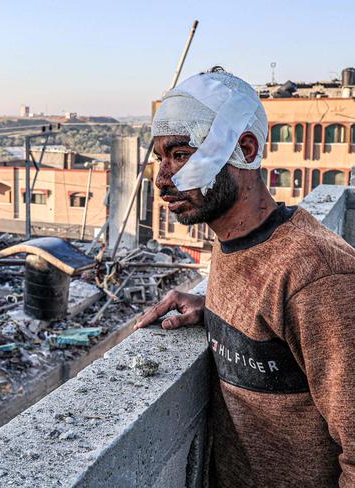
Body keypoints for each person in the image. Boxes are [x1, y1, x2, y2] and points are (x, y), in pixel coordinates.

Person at [135, 68, 355, 487]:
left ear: (245, 149)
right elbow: (267, 306)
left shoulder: (319, 277)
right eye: (160, 158)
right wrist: (218, 309)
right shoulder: (234, 239)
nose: (163, 179)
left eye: (181, 155)